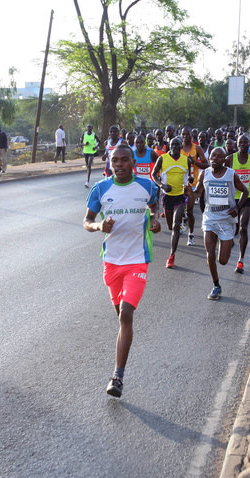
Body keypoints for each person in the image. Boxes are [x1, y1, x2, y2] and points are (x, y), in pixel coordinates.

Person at [83, 145, 162, 398]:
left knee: (126, 315)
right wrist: (99, 226)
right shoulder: (101, 189)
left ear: (132, 162)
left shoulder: (147, 187)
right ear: (110, 162)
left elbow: (154, 203)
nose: (119, 164)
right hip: (111, 263)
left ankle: (117, 377)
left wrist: (155, 218)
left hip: (138, 260)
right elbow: (86, 221)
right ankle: (124, 342)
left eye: (124, 160)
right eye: (114, 160)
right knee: (121, 317)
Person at [196, 147, 248, 300]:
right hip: (210, 218)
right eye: (213, 155)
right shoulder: (204, 174)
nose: (215, 158)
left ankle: (227, 242)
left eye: (220, 156)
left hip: (226, 220)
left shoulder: (231, 175)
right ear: (209, 157)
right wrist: (190, 193)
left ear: (225, 160)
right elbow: (197, 193)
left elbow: (245, 191)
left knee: (223, 261)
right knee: (210, 254)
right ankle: (216, 285)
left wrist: (237, 208)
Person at [152, 136, 193, 269]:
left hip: (180, 197)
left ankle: (171, 256)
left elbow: (189, 176)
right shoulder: (162, 158)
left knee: (175, 225)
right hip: (167, 197)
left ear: (181, 147)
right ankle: (178, 228)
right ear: (169, 146)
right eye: (172, 145)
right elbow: (154, 174)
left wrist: (190, 181)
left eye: (177, 145)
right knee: (170, 227)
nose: (174, 147)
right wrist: (162, 185)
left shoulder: (186, 160)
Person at [226, 134, 250, 274]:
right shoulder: (230, 159)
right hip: (231, 197)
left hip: (246, 196)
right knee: (231, 229)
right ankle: (231, 239)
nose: (242, 144)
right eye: (240, 142)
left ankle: (240, 260)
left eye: (245, 142)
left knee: (243, 228)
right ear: (237, 144)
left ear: (249, 144)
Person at [181, 127, 209, 247]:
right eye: (184, 134)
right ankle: (184, 218)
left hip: (193, 184)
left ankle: (191, 234)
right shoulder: (178, 148)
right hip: (180, 184)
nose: (186, 136)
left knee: (190, 210)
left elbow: (206, 165)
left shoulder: (196, 148)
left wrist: (195, 162)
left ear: (191, 136)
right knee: (182, 210)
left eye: (188, 134)